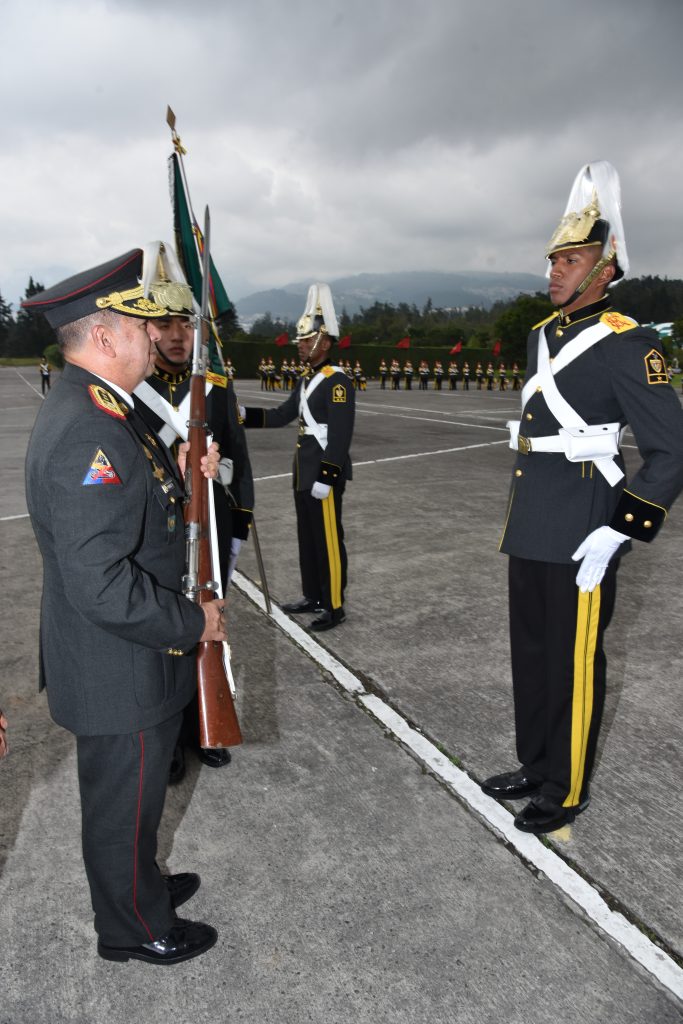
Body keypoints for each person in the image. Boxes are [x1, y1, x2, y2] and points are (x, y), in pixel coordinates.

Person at [23, 249, 226, 964]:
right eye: (142, 327)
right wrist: (192, 622)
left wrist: (174, 470)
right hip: (119, 659)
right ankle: (132, 928)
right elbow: (101, 581)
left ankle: (142, 885)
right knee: (123, 803)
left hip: (124, 651)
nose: (156, 338)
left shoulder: (104, 405)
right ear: (106, 337)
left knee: (133, 802)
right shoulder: (90, 426)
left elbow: (126, 504)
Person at [482, 162, 683, 834]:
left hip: (585, 527)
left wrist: (621, 527)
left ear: (605, 266)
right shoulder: (541, 335)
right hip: (532, 520)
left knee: (572, 663)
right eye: (553, 259)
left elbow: (669, 450)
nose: (555, 271)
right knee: (533, 656)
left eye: (570, 260)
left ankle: (564, 786)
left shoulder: (629, 342)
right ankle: (535, 764)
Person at [133, 244, 255, 780]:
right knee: (164, 635)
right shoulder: (132, 392)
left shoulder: (217, 388)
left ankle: (202, 724)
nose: (178, 333)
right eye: (165, 322)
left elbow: (238, 461)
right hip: (157, 534)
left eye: (185, 321)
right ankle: (166, 741)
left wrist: (239, 524)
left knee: (208, 626)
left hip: (210, 528)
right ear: (147, 329)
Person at [243, 284, 355, 631]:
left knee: (328, 541)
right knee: (307, 538)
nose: (300, 346)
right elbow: (281, 415)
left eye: (306, 341)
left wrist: (328, 475)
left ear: (324, 342)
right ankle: (313, 595)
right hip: (302, 472)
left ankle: (334, 605)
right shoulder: (307, 381)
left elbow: (340, 435)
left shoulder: (338, 382)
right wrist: (240, 413)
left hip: (322, 474)